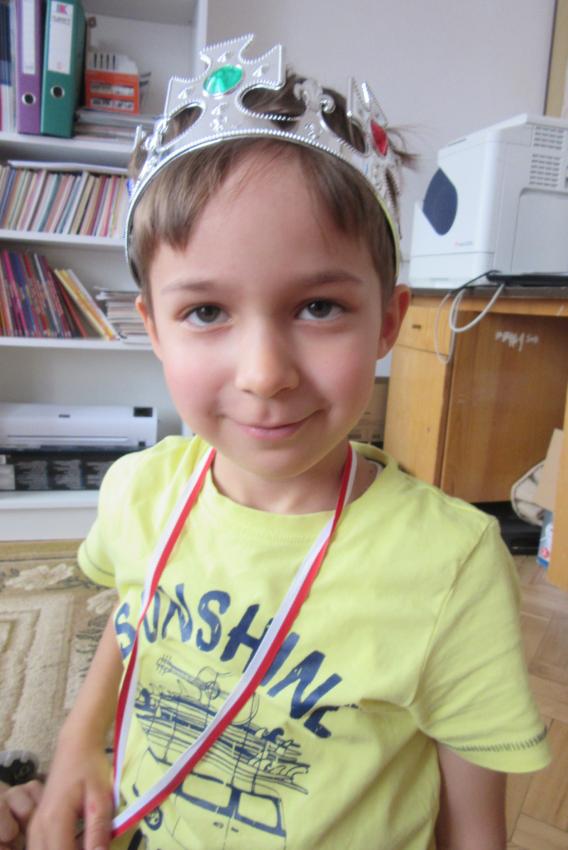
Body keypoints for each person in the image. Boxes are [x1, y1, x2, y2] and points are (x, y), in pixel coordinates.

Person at [27, 33, 550, 850]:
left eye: (318, 307)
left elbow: (476, 830)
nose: (265, 374)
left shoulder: (451, 566)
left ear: (387, 321)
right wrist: (77, 743)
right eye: (206, 312)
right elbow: (135, 617)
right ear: (154, 330)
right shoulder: (138, 491)